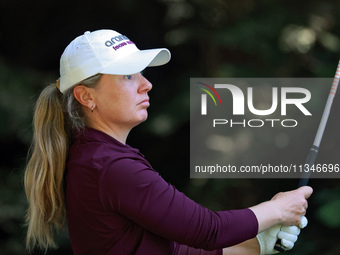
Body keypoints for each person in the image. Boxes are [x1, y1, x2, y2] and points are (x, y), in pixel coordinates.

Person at [24, 29, 313, 255]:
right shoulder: (109, 167)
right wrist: (277, 209)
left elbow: (167, 249)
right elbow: (207, 230)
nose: (146, 84)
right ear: (87, 97)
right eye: (127, 75)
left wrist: (257, 244)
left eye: (141, 73)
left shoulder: (95, 157)